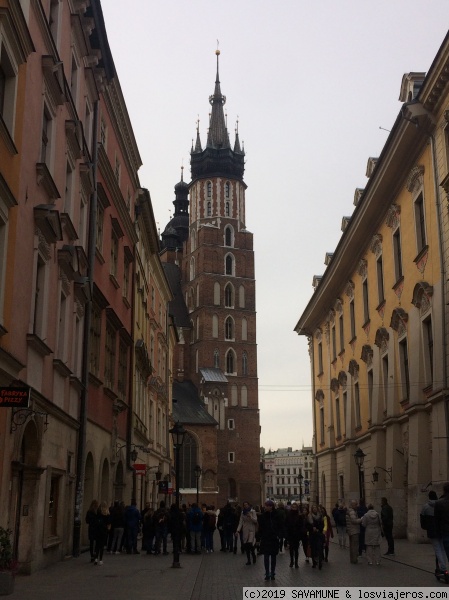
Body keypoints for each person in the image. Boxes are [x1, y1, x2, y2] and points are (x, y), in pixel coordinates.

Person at [430, 487, 449, 576]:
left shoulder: (439, 503)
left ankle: (444, 570)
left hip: (445, 532)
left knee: (445, 551)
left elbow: (436, 520)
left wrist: (437, 533)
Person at [259, 500, 280, 581]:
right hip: (265, 538)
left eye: (268, 506)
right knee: (266, 556)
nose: (267, 507)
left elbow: (280, 525)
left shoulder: (276, 515)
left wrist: (279, 535)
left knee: (273, 556)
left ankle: (273, 572)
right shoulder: (263, 516)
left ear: (272, 506)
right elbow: (260, 528)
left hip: (274, 538)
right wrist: (258, 538)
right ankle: (267, 572)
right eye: (266, 506)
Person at [235, 501, 258, 565]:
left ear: (248, 505)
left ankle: (253, 555)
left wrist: (251, 517)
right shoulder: (242, 513)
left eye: (246, 505)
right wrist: (238, 530)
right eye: (244, 505)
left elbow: (255, 520)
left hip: (251, 529)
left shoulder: (253, 511)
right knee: (246, 545)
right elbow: (240, 522)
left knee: (250, 544)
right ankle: (248, 560)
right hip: (245, 529)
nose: (245, 506)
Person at [285, 502, 304, 568]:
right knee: (291, 549)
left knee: (296, 549)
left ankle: (296, 562)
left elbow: (302, 526)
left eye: (295, 507)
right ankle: (291, 561)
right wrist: (286, 535)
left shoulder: (299, 516)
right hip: (290, 534)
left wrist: (300, 535)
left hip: (297, 535)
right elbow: (286, 525)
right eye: (293, 507)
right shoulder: (288, 515)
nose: (294, 508)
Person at [94, 501, 111, 565]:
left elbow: (95, 521)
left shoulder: (98, 512)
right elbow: (109, 523)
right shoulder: (107, 513)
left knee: (97, 545)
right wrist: (108, 529)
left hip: (98, 530)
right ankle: (100, 560)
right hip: (104, 531)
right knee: (101, 546)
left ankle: (95, 558)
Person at [307, 504, 324, 569]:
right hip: (312, 535)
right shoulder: (309, 516)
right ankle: (314, 562)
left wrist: (318, 528)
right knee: (313, 548)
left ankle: (320, 562)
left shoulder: (320, 516)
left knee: (319, 548)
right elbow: (307, 526)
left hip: (319, 534)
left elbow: (322, 525)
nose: (315, 509)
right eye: (313, 508)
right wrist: (312, 528)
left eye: (315, 508)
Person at [346, 499, 361, 564]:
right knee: (355, 545)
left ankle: (352, 559)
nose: (357, 506)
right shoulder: (352, 512)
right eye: (355, 504)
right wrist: (361, 519)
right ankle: (354, 559)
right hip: (354, 530)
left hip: (351, 530)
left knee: (352, 545)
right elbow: (354, 521)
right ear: (352, 505)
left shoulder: (349, 511)